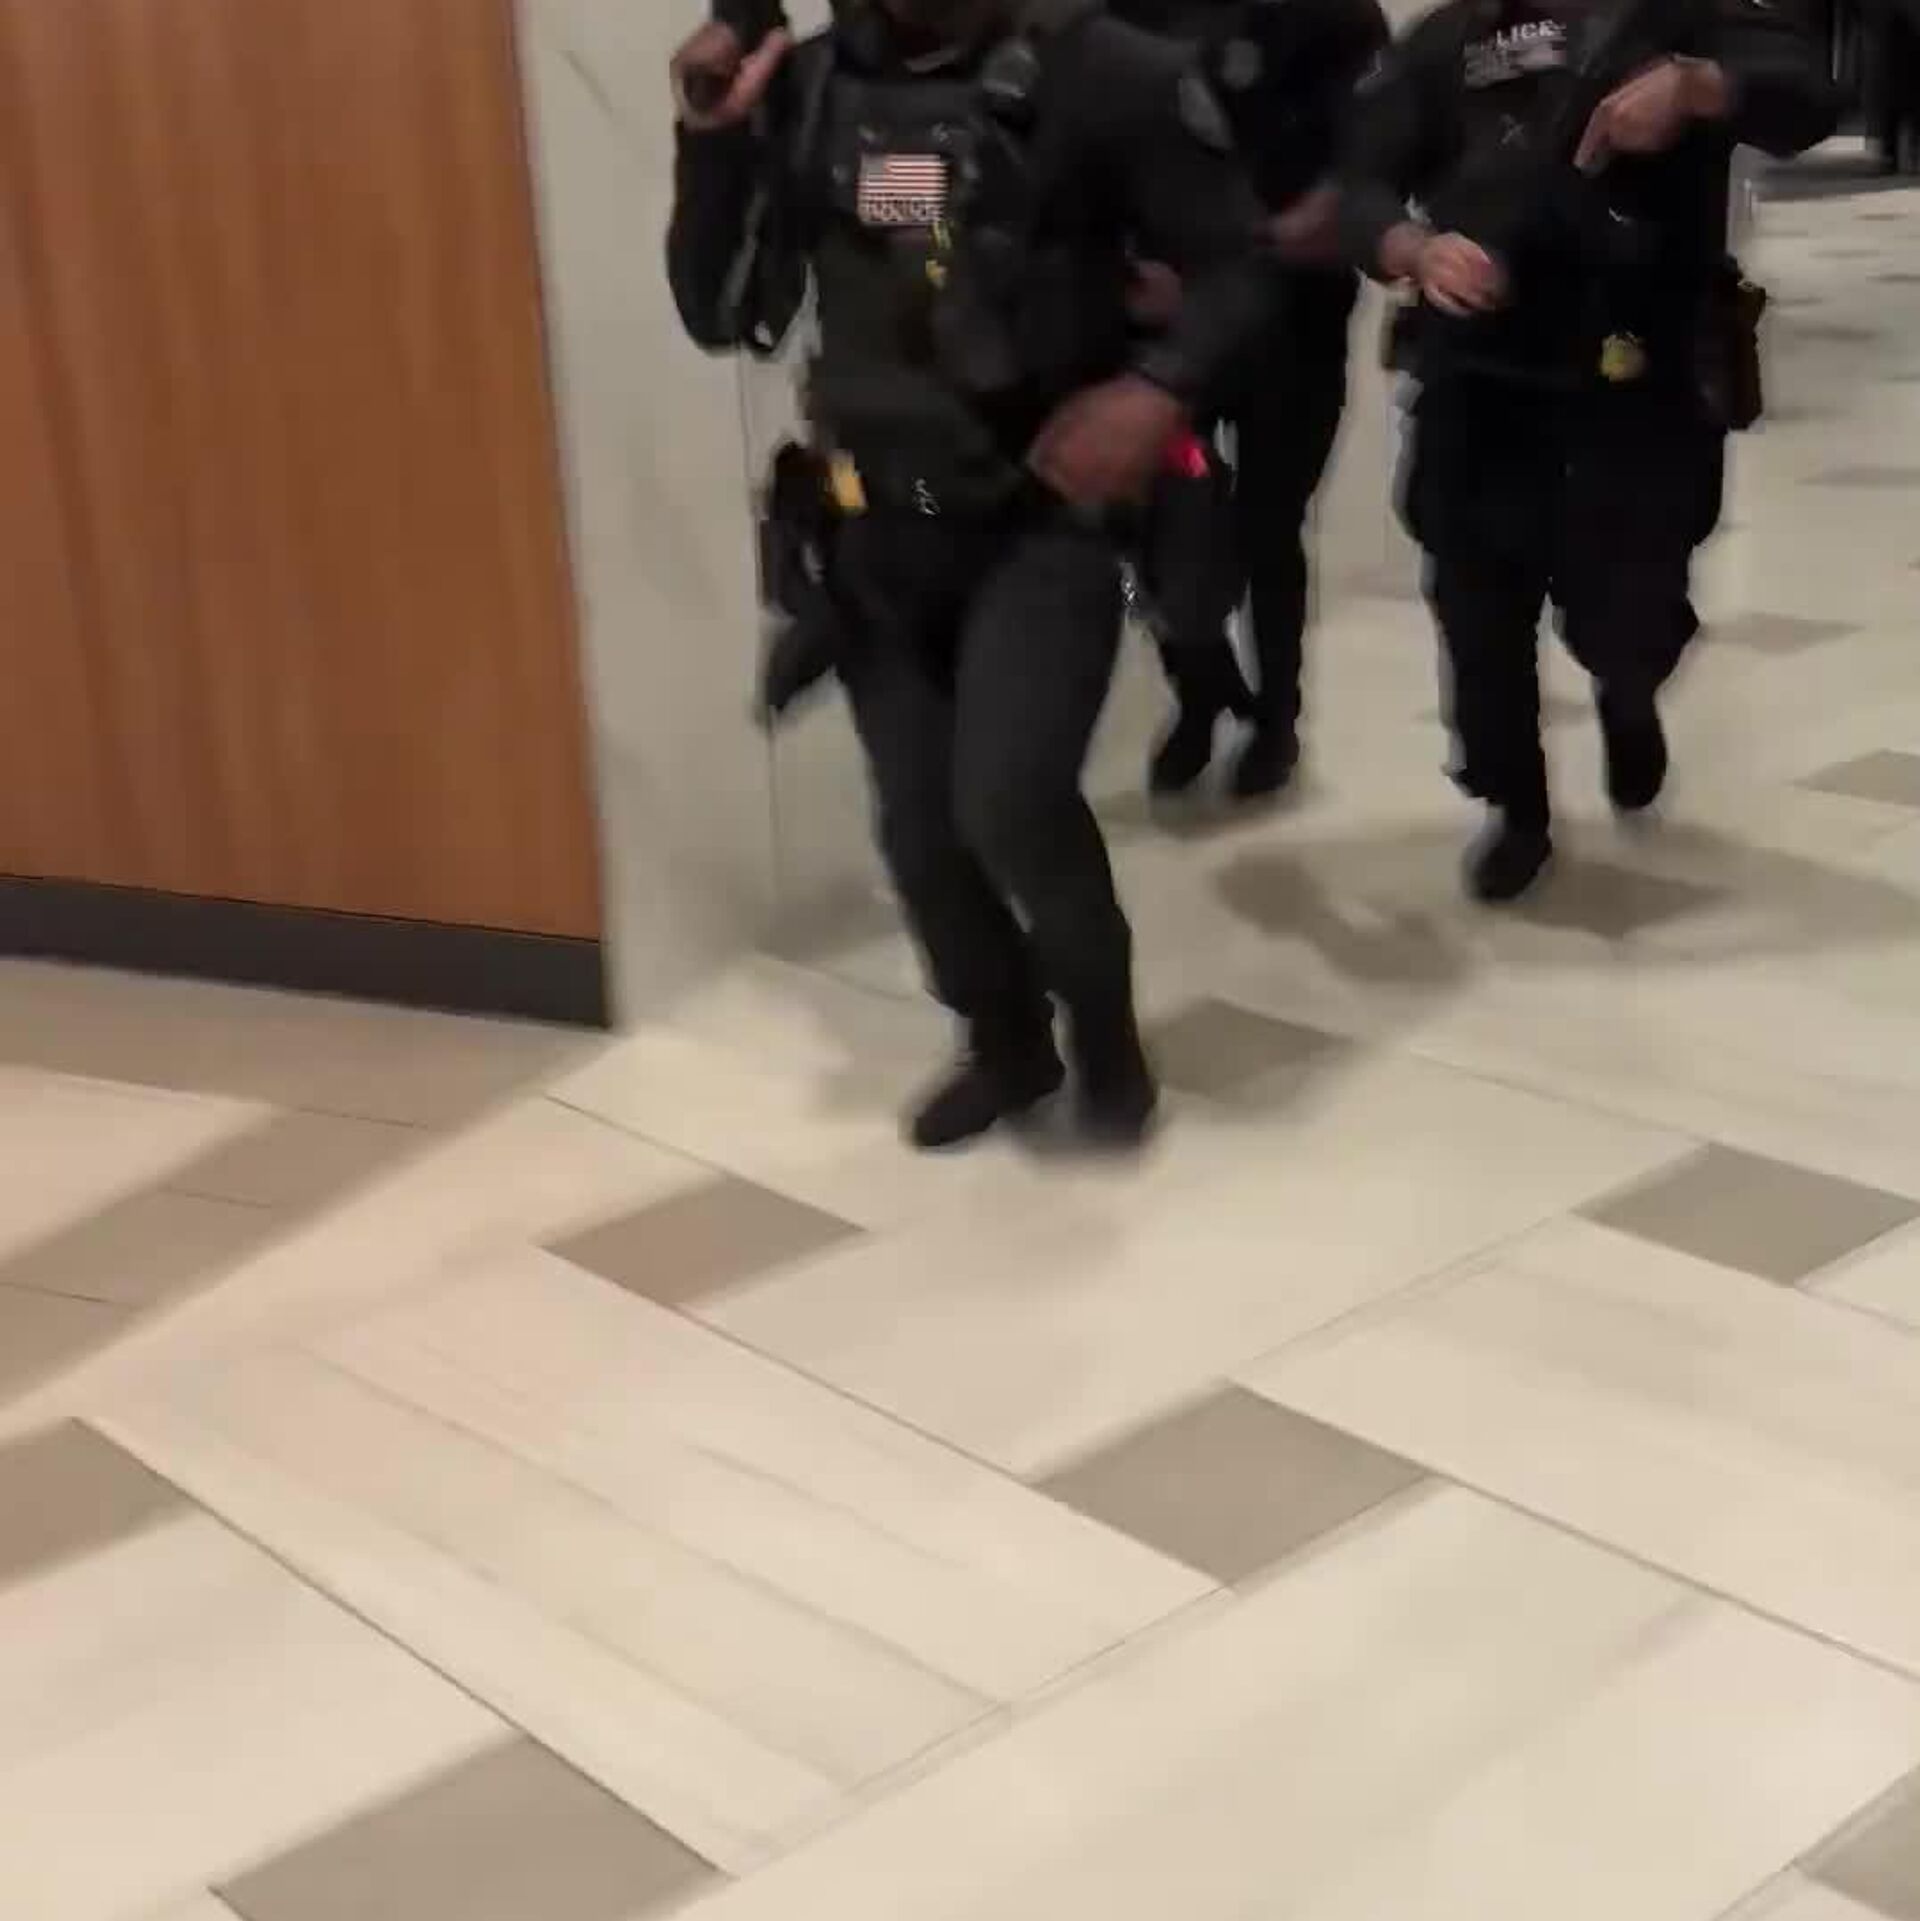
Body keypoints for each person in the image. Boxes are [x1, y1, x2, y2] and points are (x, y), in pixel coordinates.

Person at [667, 0, 1273, 1149]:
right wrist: (711, 138)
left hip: (1038, 518)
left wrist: (1157, 388)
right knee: (920, 831)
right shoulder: (810, 86)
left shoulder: (1106, 71)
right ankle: (1005, 1041)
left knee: (1010, 800)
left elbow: (1242, 265)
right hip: (873, 530)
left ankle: (1103, 1033)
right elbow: (716, 307)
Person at [1337, 0, 1837, 902]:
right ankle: (1516, 806)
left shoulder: (1680, 17)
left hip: (1635, 374)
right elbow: (1360, 179)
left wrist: (1697, 87)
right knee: (1477, 608)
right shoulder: (1452, 37)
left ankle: (1627, 690)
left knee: (1632, 607)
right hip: (1479, 372)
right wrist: (1413, 247)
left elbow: (1809, 95)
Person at [1115, 0, 1392, 803]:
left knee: (1268, 528)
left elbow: (1371, 153)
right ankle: (1202, 689)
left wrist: (1315, 222)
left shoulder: (1336, 17)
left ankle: (1276, 720)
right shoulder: (1125, 19)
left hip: (1294, 321)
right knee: (1157, 520)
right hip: (1176, 330)